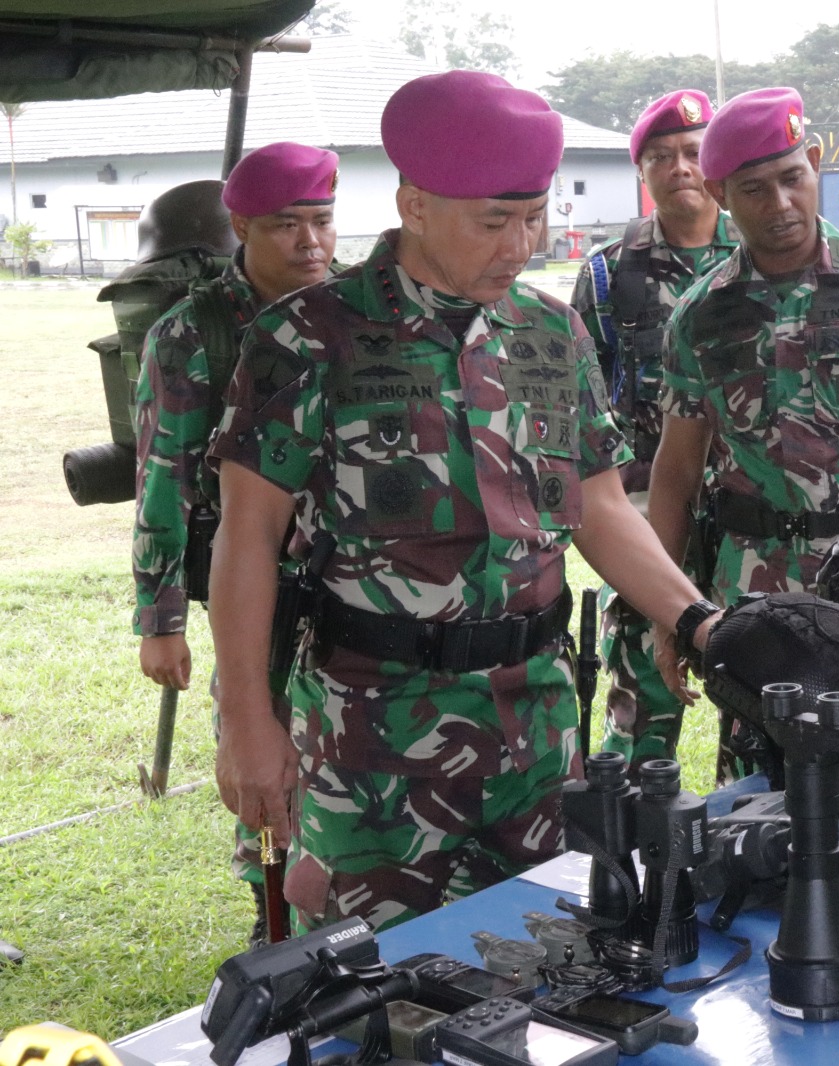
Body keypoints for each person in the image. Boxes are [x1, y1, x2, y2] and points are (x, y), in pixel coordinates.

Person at [206, 70, 722, 934]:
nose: (521, 244)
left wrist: (701, 620)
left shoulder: (552, 334)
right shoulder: (306, 337)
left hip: (538, 729)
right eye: (494, 221)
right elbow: (247, 539)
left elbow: (600, 509)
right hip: (373, 740)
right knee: (374, 989)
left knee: (548, 964)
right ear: (413, 203)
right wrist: (248, 726)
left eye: (535, 217)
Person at [647, 86, 839, 778]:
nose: (781, 205)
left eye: (793, 178)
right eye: (755, 189)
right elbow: (673, 472)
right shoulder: (699, 316)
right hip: (752, 591)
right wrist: (669, 610)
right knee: (761, 775)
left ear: (816, 164)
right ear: (720, 192)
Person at [131, 141, 338, 940]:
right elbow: (162, 481)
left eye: (322, 221)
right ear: (242, 227)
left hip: (357, 580)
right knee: (262, 745)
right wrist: (160, 619)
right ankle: (273, 916)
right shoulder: (194, 335)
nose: (311, 243)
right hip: (254, 587)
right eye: (287, 225)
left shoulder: (355, 311)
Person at [569, 89, 740, 776]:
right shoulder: (610, 275)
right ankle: (633, 851)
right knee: (641, 697)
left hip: (747, 514)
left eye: (694, 152)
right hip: (644, 516)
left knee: (759, 683)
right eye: (660, 156)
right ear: (643, 172)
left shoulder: (757, 257)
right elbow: (587, 399)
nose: (679, 167)